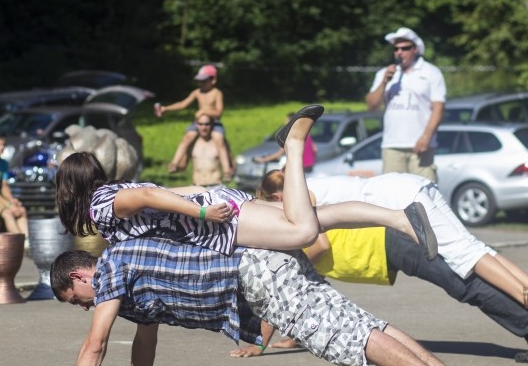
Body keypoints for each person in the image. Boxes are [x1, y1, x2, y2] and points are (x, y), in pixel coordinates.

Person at [23, 235, 484, 366]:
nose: (85, 306)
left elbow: (95, 344)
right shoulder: (130, 282)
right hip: (260, 268)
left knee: (338, 334)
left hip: (254, 274)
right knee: (358, 322)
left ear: (81, 274)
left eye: (76, 298)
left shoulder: (111, 270)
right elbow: (146, 340)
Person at [243, 172, 528, 363]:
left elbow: (315, 254)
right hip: (382, 246)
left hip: (386, 241)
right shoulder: (304, 205)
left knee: (463, 280)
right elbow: (311, 284)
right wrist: (291, 333)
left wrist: (263, 338)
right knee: (465, 266)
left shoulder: (296, 214)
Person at [56, 106, 436, 258]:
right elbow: (162, 193)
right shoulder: (112, 192)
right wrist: (204, 199)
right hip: (218, 204)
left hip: (220, 219)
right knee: (317, 217)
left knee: (303, 233)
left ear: (71, 188)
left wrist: (202, 210)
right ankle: (400, 218)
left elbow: (150, 194)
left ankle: (293, 143)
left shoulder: (102, 206)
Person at [365, 27, 445, 182]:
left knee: (424, 194)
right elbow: (372, 105)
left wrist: (426, 137)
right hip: (392, 145)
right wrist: (384, 82)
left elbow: (439, 108)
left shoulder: (430, 72)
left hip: (421, 146)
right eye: (396, 49)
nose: (399, 52)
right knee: (392, 195)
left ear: (415, 49)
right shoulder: (384, 73)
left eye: (405, 48)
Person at [156, 65, 232, 181]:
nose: (201, 84)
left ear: (213, 80)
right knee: (188, 137)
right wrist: (166, 109)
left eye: (204, 81)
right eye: (199, 81)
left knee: (218, 138)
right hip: (200, 121)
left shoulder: (217, 93)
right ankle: (174, 163)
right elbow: (183, 104)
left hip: (214, 122)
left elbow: (219, 112)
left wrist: (204, 111)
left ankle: (227, 170)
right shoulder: (197, 92)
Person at [181, 113, 228, 187]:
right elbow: (183, 165)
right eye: (201, 124)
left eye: (207, 124)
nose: (204, 127)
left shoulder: (219, 142)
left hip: (215, 186)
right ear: (196, 124)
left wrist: (227, 173)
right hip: (197, 186)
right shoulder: (192, 143)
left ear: (212, 125)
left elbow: (230, 164)